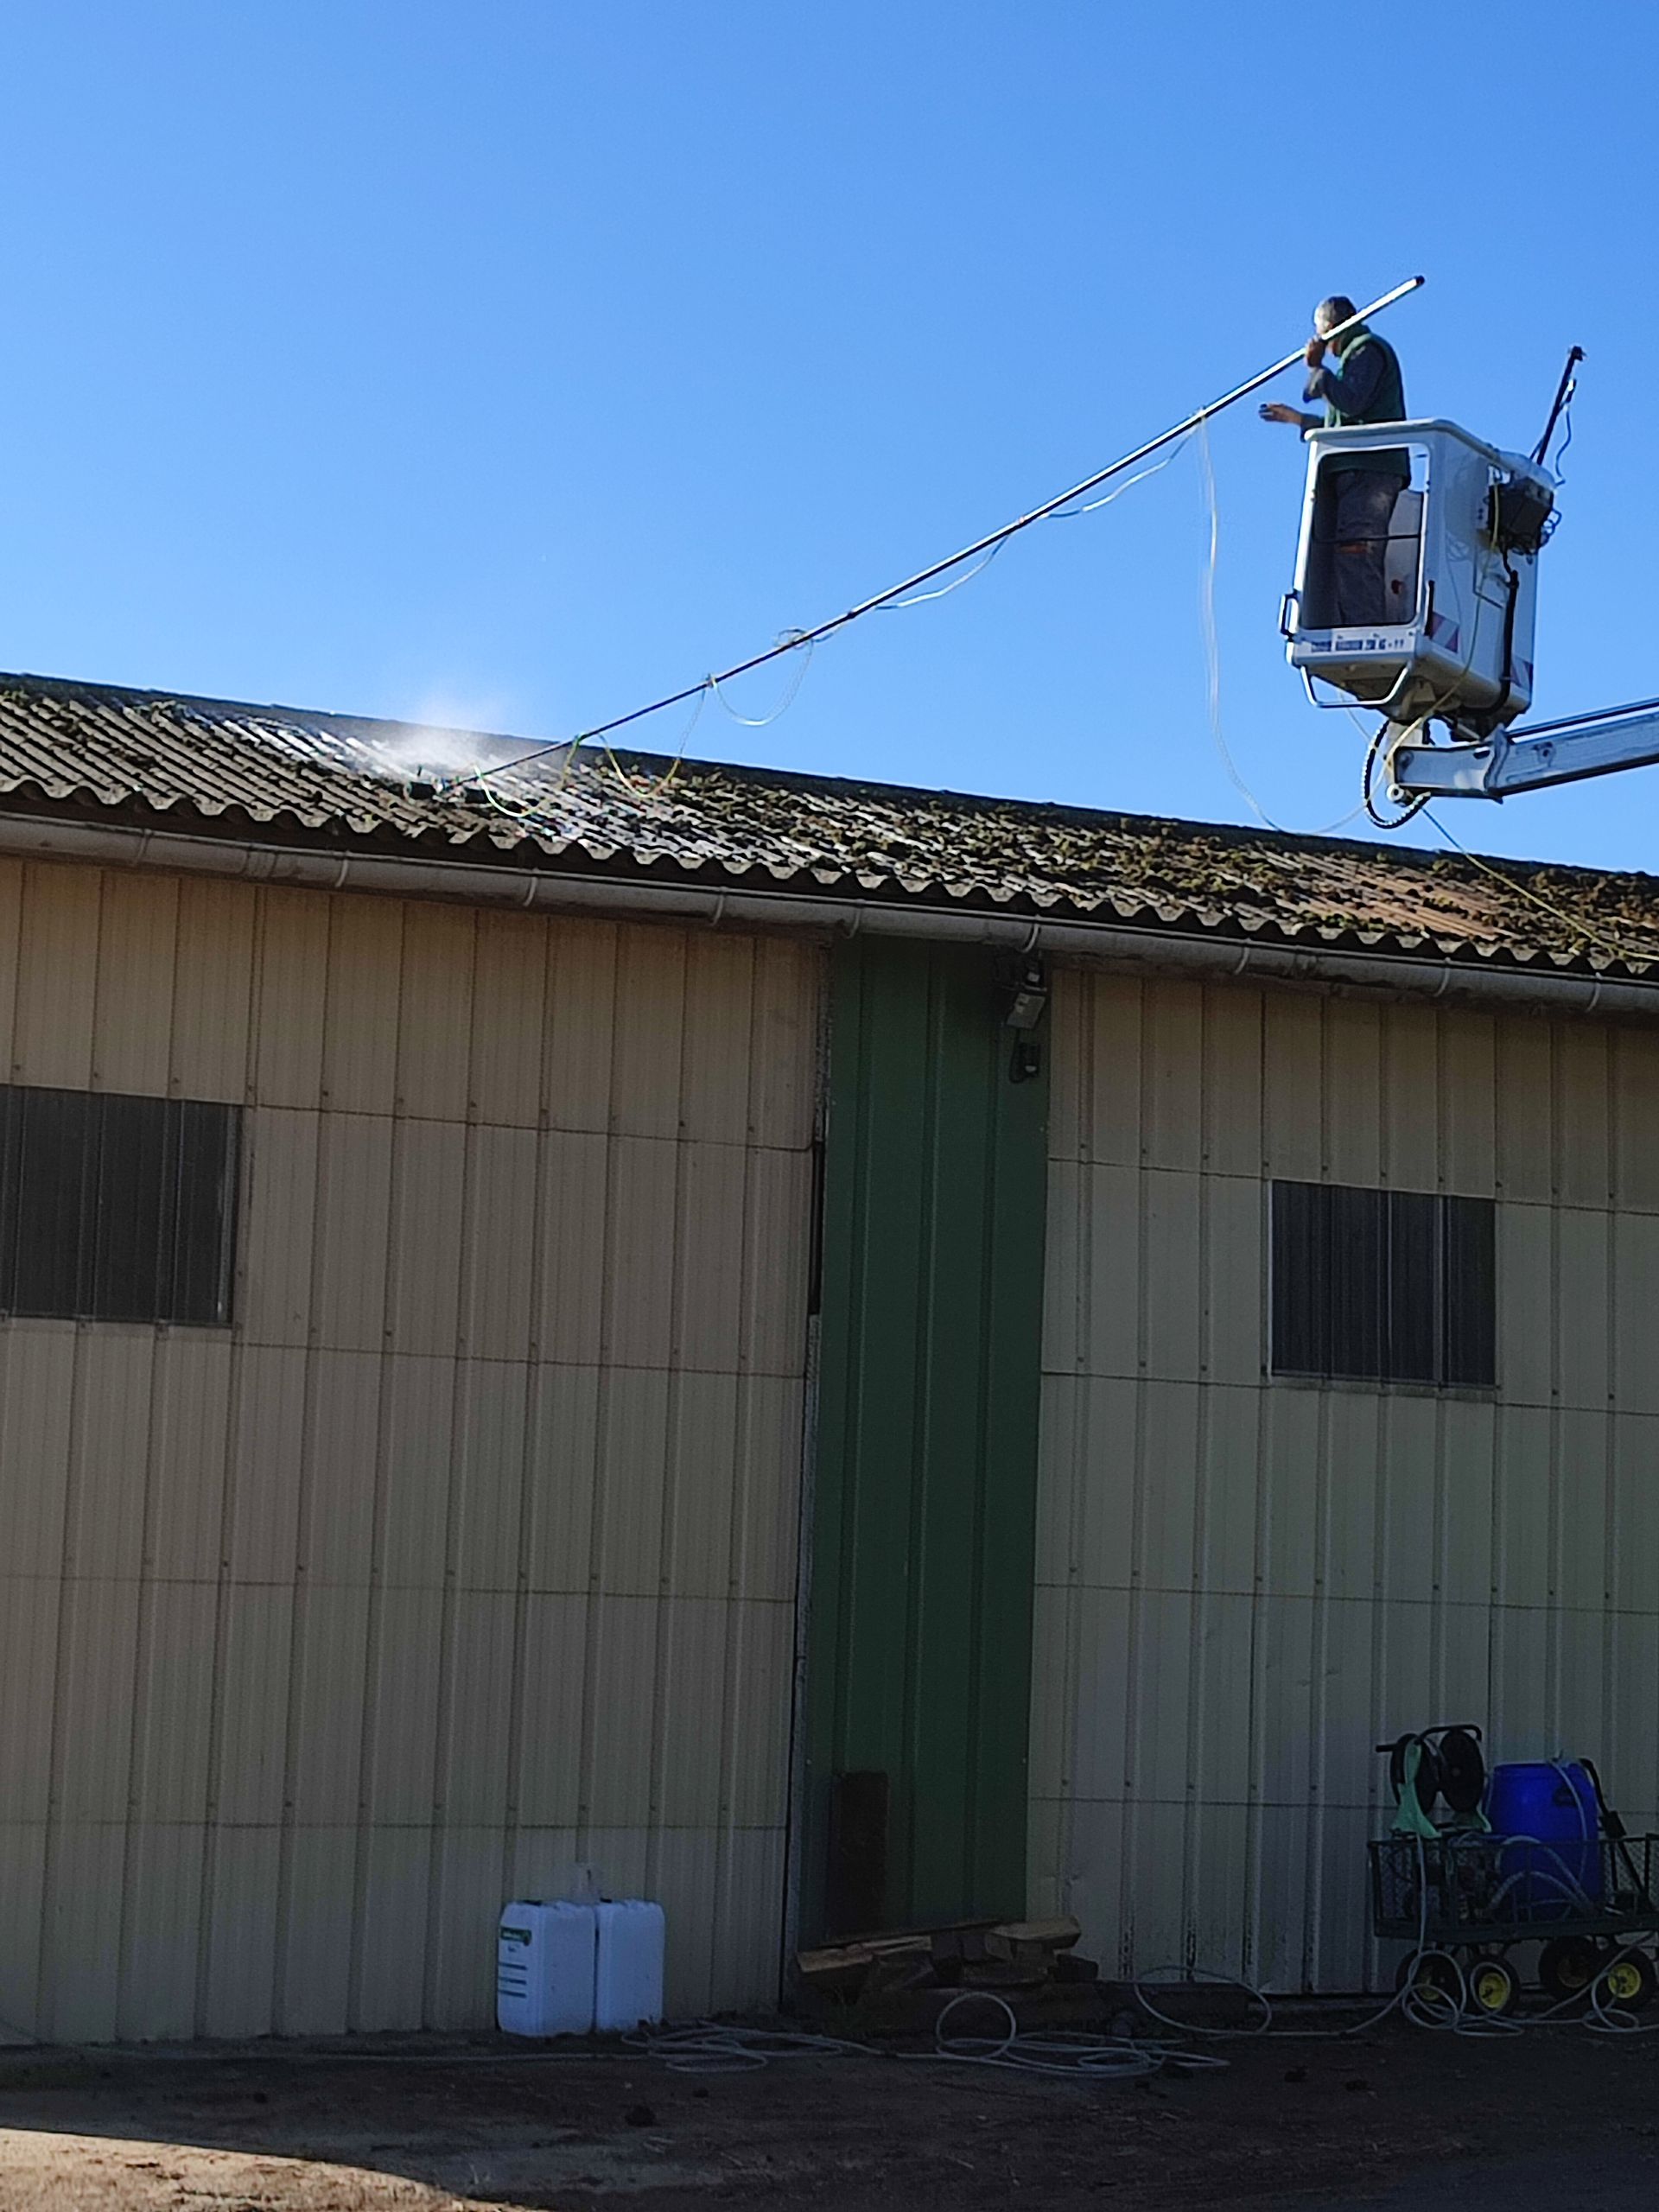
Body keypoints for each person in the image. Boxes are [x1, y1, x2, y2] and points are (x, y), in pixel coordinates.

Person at [1261, 295, 1408, 628]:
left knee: (1358, 549)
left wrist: (1317, 371)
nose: (1318, 341)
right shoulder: (1355, 359)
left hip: (1369, 470)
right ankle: (1357, 626)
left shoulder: (1367, 350)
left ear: (1331, 327)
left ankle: (1366, 631)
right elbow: (1344, 423)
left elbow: (1352, 403)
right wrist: (1298, 420)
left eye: (1319, 331)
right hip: (1360, 469)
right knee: (1350, 549)